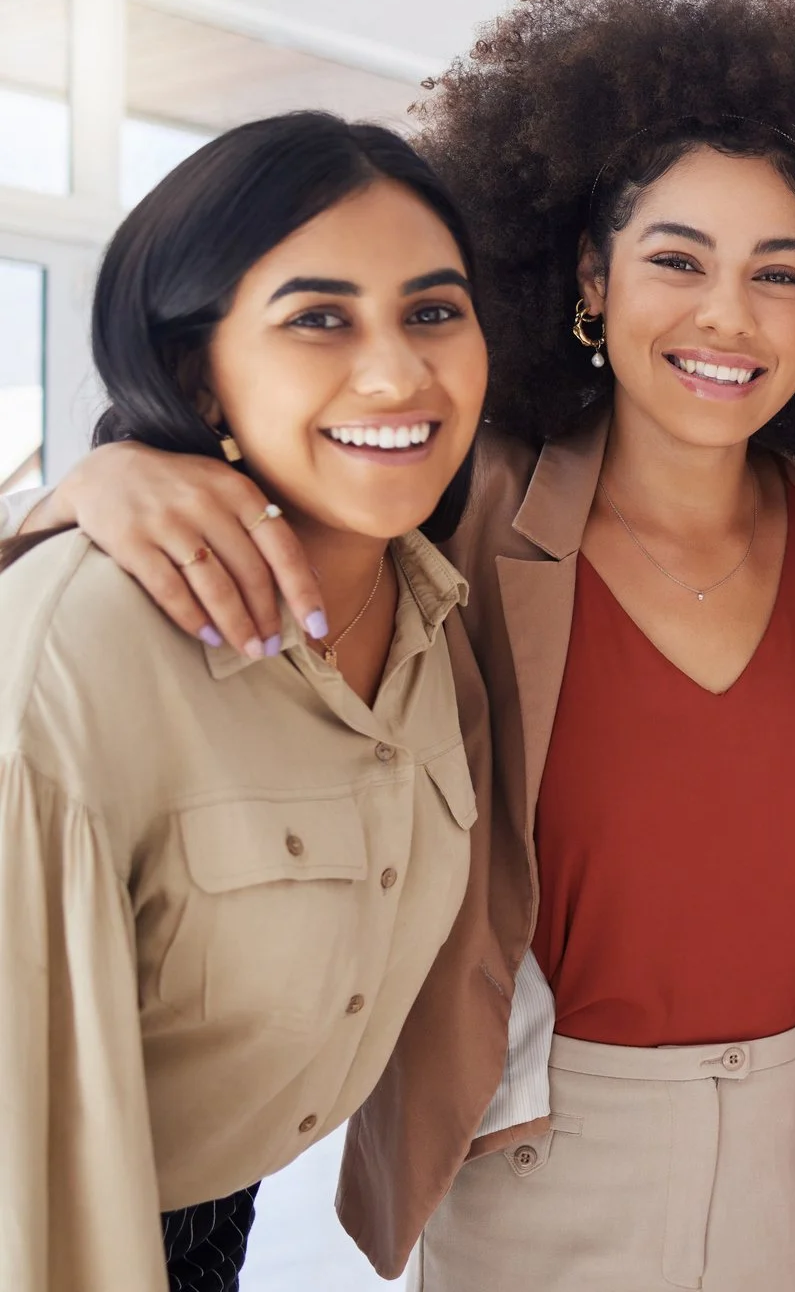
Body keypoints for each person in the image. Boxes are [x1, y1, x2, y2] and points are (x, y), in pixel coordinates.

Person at [6, 0, 795, 1289]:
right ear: (589, 283)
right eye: (678, 258)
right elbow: (291, 475)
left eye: (779, 271)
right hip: (544, 1153)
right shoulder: (459, 505)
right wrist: (110, 471)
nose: (730, 312)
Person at [0, 112, 488, 1292]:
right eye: (319, 318)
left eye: (433, 310)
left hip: (222, 1218)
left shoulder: (432, 604)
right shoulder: (84, 651)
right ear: (190, 368)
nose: (397, 371)